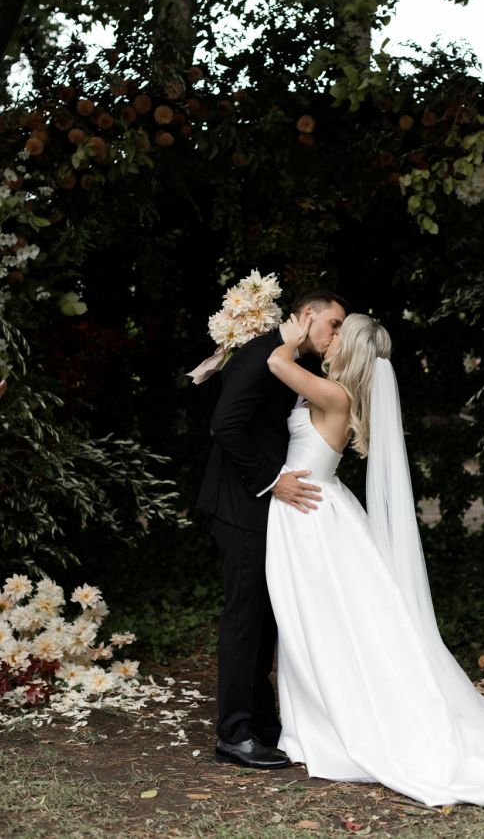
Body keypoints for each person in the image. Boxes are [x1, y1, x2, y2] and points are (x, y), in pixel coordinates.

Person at [265, 311, 484, 822]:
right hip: (313, 510)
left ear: (352, 350)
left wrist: (289, 335)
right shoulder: (335, 391)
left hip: (311, 516)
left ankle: (327, 723)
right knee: (315, 619)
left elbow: (277, 363)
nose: (329, 339)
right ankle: (313, 719)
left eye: (339, 333)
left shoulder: (336, 395)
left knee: (317, 619)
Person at [197, 288, 347, 769]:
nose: (336, 334)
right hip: (242, 504)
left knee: (265, 619)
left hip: (267, 510)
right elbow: (225, 426)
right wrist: (271, 480)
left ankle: (262, 724)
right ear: (308, 314)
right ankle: (233, 734)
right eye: (334, 324)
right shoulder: (262, 353)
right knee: (245, 618)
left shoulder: (289, 359)